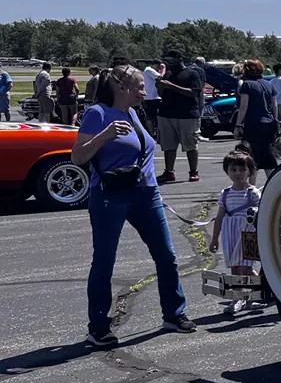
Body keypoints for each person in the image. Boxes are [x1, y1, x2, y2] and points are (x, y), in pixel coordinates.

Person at [72, 65, 195, 346]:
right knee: (104, 261)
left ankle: (174, 314)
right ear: (121, 87)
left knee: (167, 255)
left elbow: (146, 152)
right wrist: (104, 135)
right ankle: (99, 328)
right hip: (110, 195)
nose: (144, 92)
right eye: (139, 87)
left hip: (146, 194)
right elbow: (78, 157)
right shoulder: (98, 114)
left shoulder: (134, 114)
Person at [216, 146, 263, 316]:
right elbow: (220, 217)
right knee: (235, 267)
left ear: (250, 171)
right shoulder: (225, 193)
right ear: (227, 171)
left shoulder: (253, 193)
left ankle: (252, 294)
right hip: (230, 235)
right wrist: (214, 238)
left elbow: (261, 216)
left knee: (247, 267)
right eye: (233, 169)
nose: (238, 173)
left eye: (242, 169)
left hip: (248, 234)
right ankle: (239, 297)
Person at [154, 50, 205, 182]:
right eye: (166, 61)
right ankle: (169, 172)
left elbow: (194, 93)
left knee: (190, 144)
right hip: (167, 114)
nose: (168, 63)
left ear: (179, 59)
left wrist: (171, 86)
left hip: (187, 115)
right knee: (168, 145)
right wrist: (160, 84)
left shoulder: (192, 73)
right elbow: (161, 92)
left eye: (171, 61)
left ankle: (193, 171)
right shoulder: (167, 74)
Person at [231, 59, 279, 172]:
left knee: (252, 158)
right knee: (268, 158)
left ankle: (252, 187)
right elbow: (274, 106)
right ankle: (272, 185)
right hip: (269, 124)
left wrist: (238, 125)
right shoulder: (269, 84)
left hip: (253, 125)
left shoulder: (247, 85)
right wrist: (275, 120)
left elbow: (243, 106)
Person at [140, 59, 161, 136]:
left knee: (152, 116)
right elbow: (160, 77)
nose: (159, 68)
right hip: (152, 97)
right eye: (159, 66)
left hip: (151, 97)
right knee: (153, 116)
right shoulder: (149, 70)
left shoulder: (147, 71)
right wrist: (163, 69)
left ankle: (153, 132)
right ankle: (153, 132)